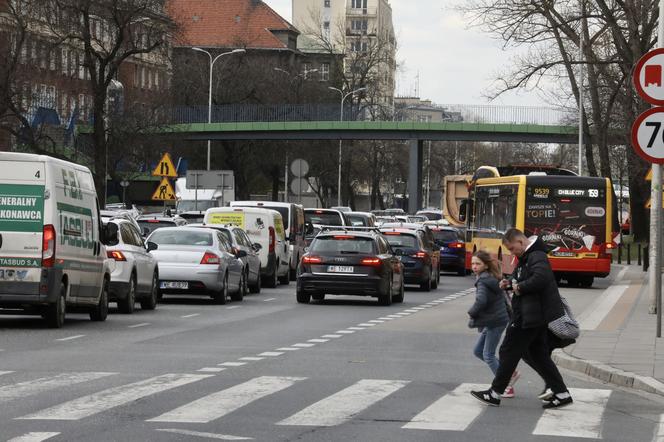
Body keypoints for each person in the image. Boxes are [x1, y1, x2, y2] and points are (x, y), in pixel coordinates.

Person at [470, 228, 573, 409]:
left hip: (529, 315)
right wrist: (510, 283)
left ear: (520, 242)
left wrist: (519, 287)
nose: (511, 252)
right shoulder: (529, 256)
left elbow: (541, 278)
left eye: (512, 248)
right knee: (538, 355)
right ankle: (562, 393)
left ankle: (495, 393)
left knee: (508, 350)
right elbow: (525, 278)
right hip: (533, 315)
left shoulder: (536, 256)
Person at [468, 251, 519, 398]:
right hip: (494, 319)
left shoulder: (484, 280)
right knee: (478, 351)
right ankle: (509, 373)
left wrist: (472, 312)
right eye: (473, 263)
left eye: (478, 263)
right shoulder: (489, 277)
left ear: (485, 265)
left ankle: (505, 385)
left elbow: (481, 301)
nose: (474, 266)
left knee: (488, 355)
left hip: (495, 321)